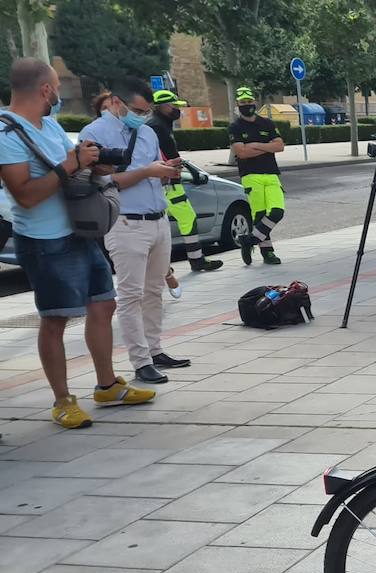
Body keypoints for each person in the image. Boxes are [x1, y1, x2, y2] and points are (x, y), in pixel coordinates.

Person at [0, 58, 154, 427]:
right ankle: (62, 400)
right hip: (43, 240)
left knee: (104, 305)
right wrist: (71, 165)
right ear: (45, 90)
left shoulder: (49, 125)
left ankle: (107, 386)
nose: (58, 93)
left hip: (80, 232)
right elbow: (24, 194)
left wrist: (91, 163)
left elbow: (72, 166)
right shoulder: (7, 134)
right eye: (55, 85)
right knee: (54, 320)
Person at [80, 79, 191, 385]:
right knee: (131, 295)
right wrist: (147, 172)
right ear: (116, 102)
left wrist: (168, 172)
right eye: (137, 110)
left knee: (154, 291)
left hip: (157, 218)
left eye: (145, 111)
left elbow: (155, 174)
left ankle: (155, 350)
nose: (141, 116)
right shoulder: (94, 134)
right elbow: (104, 181)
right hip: (126, 222)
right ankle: (140, 361)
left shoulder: (147, 132)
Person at [146, 89, 223, 274]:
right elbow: (160, 156)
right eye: (174, 106)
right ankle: (192, 262)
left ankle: (173, 263)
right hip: (167, 183)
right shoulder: (156, 126)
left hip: (168, 181)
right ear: (162, 106)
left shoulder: (160, 124)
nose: (177, 110)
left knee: (167, 223)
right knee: (182, 220)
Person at [227, 87, 285, 265]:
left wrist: (255, 145)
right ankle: (268, 253)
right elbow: (241, 153)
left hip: (272, 173)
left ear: (255, 102)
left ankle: (250, 240)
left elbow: (280, 146)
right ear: (238, 104)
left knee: (277, 211)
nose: (247, 105)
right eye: (243, 102)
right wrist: (266, 146)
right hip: (250, 175)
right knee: (259, 216)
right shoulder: (235, 127)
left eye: (249, 101)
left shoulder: (266, 123)